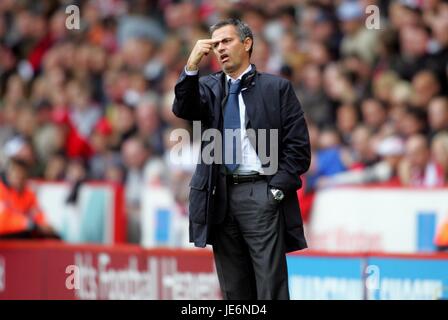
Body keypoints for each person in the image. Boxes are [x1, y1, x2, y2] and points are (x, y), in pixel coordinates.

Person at [172, 19, 311, 300]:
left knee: (269, 285)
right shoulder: (208, 87)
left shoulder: (276, 89)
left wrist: (275, 190)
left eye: (227, 41)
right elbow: (183, 108)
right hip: (219, 194)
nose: (220, 48)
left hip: (261, 192)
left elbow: (298, 148)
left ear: (247, 44)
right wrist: (191, 66)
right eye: (216, 44)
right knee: (234, 288)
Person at [0, 157, 59, 239]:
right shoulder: (1, 190)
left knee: (53, 237)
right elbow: (3, 223)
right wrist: (29, 224)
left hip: (22, 233)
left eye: (22, 175)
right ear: (8, 175)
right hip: (5, 238)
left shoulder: (28, 193)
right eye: (17, 174)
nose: (20, 178)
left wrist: (44, 226)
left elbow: (38, 214)